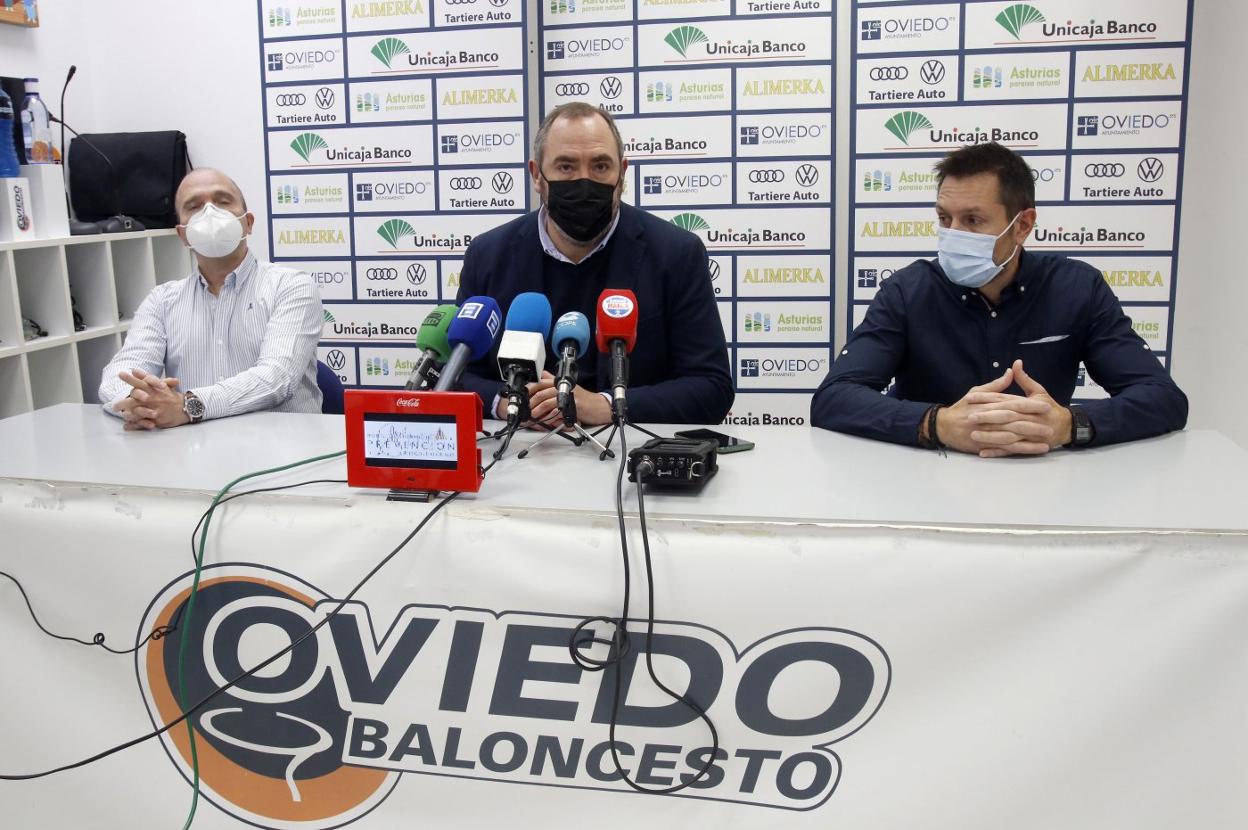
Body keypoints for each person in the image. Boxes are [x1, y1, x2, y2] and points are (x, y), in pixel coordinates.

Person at [811, 142, 1187, 456]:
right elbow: (834, 398)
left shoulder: (1077, 288)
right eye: (945, 219)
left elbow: (1163, 399)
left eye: (973, 221)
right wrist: (936, 423)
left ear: (1022, 225)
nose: (953, 234)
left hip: (1042, 484)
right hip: (922, 482)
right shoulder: (908, 291)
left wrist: (1070, 424)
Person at [454, 102, 733, 426]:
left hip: (627, 458)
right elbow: (455, 375)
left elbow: (712, 388)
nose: (583, 182)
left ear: (622, 173)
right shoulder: (488, 255)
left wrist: (607, 406)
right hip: (517, 456)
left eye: (600, 166)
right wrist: (508, 403)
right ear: (536, 175)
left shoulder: (676, 254)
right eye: (566, 167)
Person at [98, 168, 322, 429]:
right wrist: (140, 403)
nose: (210, 212)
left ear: (247, 223)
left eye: (223, 201)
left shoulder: (291, 286)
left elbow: (277, 378)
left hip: (286, 452)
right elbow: (120, 373)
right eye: (194, 206)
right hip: (195, 451)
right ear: (182, 235)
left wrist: (187, 406)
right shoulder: (161, 301)